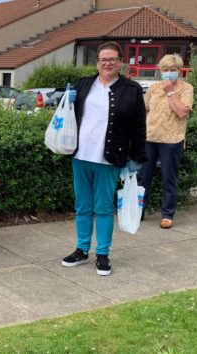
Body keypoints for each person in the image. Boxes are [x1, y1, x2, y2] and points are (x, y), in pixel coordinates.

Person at [61, 41, 147, 276]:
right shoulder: (84, 84)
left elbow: (139, 126)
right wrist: (66, 100)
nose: (107, 63)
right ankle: (81, 249)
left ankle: (103, 254)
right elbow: (69, 116)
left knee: (104, 208)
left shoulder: (131, 89)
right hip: (81, 155)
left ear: (120, 61)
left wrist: (138, 157)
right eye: (103, 60)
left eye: (112, 59)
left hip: (109, 158)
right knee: (82, 207)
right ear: (97, 62)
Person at [138, 54, 193, 229]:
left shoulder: (186, 88)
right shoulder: (154, 88)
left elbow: (182, 112)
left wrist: (170, 92)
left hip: (172, 139)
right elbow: (145, 110)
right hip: (150, 137)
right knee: (143, 177)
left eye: (172, 70)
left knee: (168, 178)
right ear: (160, 71)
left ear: (179, 71)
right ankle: (138, 210)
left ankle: (167, 214)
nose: (169, 73)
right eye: (165, 70)